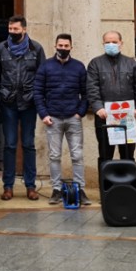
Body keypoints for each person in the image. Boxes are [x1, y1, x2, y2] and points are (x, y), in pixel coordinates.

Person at [0, 15, 46, 200]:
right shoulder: (1, 48)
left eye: (15, 29)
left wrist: (37, 97)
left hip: (29, 103)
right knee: (10, 144)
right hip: (8, 103)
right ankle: (8, 186)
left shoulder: (36, 48)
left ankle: (30, 186)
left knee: (29, 144)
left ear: (24, 29)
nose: (12, 32)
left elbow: (42, 75)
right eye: (10, 29)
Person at [34, 33, 90, 206]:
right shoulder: (45, 67)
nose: (63, 48)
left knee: (77, 155)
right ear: (55, 45)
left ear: (71, 47)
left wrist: (80, 113)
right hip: (53, 118)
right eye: (61, 45)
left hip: (73, 118)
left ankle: (80, 189)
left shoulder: (79, 67)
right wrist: (44, 114)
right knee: (54, 155)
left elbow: (86, 92)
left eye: (66, 46)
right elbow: (38, 92)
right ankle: (56, 190)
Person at [86, 31, 136, 177]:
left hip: (128, 118)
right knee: (105, 156)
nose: (111, 45)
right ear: (103, 44)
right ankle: (106, 191)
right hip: (104, 117)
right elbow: (91, 88)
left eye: (114, 42)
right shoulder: (95, 63)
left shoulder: (131, 63)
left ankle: (128, 189)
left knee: (128, 155)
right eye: (107, 42)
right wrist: (98, 107)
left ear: (121, 43)